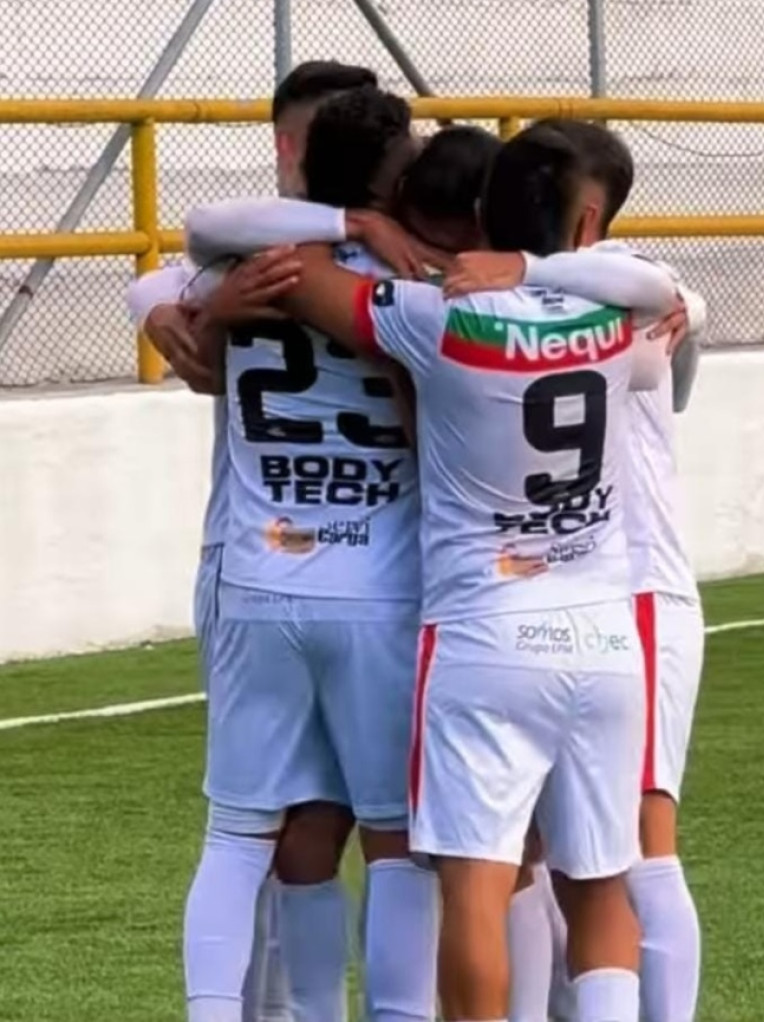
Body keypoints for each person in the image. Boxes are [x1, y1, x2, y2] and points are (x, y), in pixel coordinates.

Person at [253, 120, 683, 1022]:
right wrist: (536, 267)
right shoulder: (618, 316)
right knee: (600, 888)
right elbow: (659, 291)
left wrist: (366, 226)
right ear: (585, 223)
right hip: (604, 637)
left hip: (485, 637)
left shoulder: (435, 317)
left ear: (484, 209)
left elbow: (299, 278)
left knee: (476, 890)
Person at [126, 61, 387, 1022]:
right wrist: (176, 308)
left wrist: (186, 308)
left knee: (268, 832)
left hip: (262, 572)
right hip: (365, 580)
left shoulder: (245, 259)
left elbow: (172, 266)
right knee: (369, 838)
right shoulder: (406, 267)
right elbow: (159, 279)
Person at [446, 116, 708, 1022]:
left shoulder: (620, 281)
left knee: (637, 847)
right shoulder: (600, 290)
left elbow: (677, 303)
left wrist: (524, 268)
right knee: (528, 849)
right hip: (573, 601)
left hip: (633, 588)